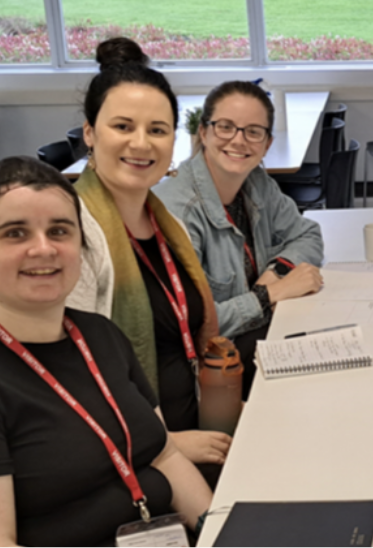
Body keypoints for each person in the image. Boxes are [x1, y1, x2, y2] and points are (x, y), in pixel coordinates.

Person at [0, 157, 211, 546]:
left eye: (59, 230)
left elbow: (165, 456)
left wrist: (220, 534)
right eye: (15, 233)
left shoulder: (101, 335)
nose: (43, 249)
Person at [66, 37, 232, 484]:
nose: (141, 144)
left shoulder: (165, 223)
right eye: (123, 126)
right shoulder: (73, 235)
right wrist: (168, 442)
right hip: (137, 459)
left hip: (195, 428)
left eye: (157, 130)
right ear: (89, 133)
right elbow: (73, 382)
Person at [156, 80, 324, 398]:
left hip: (255, 343)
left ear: (267, 143)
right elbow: (190, 326)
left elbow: (307, 233)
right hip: (206, 377)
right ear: (203, 132)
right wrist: (267, 295)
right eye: (225, 127)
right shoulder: (178, 211)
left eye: (253, 131)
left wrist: (277, 272)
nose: (239, 140)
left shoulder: (256, 183)